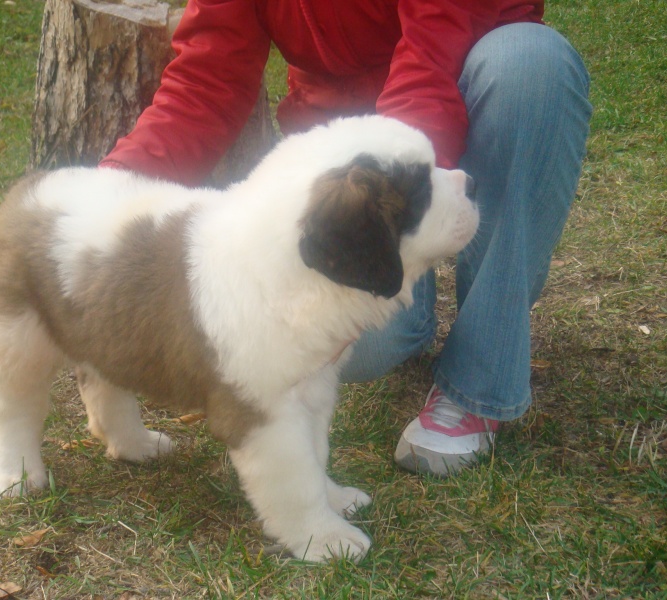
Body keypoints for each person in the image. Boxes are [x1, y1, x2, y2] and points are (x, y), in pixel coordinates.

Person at [100, 0, 592, 476]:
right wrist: (108, 191)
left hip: (463, 94)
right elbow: (206, 80)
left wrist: (405, 179)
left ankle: (477, 385)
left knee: (531, 64)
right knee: (366, 345)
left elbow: (431, 59)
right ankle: (413, 310)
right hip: (354, 160)